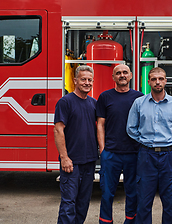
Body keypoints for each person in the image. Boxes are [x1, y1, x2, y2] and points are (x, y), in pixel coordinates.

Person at [126, 67, 172, 224]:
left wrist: (171, 140)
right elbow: (130, 128)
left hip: (168, 156)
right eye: (154, 79)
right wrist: (144, 141)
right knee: (144, 201)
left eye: (160, 78)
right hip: (146, 155)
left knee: (170, 202)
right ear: (148, 82)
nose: (157, 82)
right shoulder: (139, 103)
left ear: (165, 81)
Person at [96, 64, 143, 224]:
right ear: (113, 77)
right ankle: (105, 221)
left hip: (134, 153)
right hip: (111, 153)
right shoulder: (105, 97)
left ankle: (130, 221)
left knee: (133, 192)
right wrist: (103, 150)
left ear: (130, 75)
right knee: (107, 193)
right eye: (118, 73)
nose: (122, 75)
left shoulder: (139, 97)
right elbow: (100, 124)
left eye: (125, 72)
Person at [53, 65, 98, 224]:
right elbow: (58, 130)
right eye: (83, 79)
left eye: (89, 80)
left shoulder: (94, 103)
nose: (87, 82)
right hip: (72, 163)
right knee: (68, 204)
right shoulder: (65, 102)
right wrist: (64, 158)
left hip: (89, 161)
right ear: (75, 81)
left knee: (83, 204)